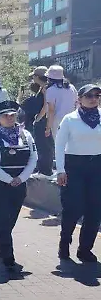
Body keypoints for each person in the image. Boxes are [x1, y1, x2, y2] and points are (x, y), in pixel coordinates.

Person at [0, 101, 37, 270]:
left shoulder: (26, 135)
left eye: (12, 115)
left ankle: (1, 244)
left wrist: (21, 178)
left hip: (18, 184)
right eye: (5, 116)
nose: (10, 118)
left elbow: (33, 157)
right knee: (1, 220)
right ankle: (8, 255)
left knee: (10, 219)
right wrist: (7, 179)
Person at [55, 84, 101, 262]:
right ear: (79, 99)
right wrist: (60, 170)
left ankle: (85, 249)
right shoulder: (70, 119)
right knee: (73, 209)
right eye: (89, 95)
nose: (93, 99)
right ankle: (65, 242)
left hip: (97, 166)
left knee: (95, 211)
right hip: (74, 166)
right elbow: (59, 146)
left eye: (97, 95)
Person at [20, 66, 53, 175]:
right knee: (43, 147)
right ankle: (42, 169)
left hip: (44, 121)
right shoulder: (46, 88)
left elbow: (45, 106)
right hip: (47, 121)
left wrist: (37, 119)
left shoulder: (46, 89)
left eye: (34, 76)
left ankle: (44, 170)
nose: (33, 79)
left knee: (43, 147)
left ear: (38, 77)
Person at [45, 65, 79, 139]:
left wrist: (48, 128)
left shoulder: (50, 90)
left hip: (58, 121)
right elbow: (77, 103)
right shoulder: (71, 87)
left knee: (59, 144)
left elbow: (51, 110)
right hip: (73, 118)